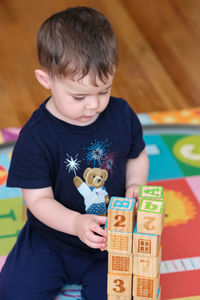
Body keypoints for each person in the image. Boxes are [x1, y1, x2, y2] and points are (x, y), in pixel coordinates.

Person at [0, 6, 149, 300]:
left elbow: (137, 155)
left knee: (129, 294)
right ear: (46, 80)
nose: (93, 105)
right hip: (50, 240)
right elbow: (38, 200)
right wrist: (75, 224)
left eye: (104, 90)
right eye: (79, 97)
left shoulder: (121, 115)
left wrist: (135, 184)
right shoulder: (36, 136)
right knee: (11, 292)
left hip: (110, 239)